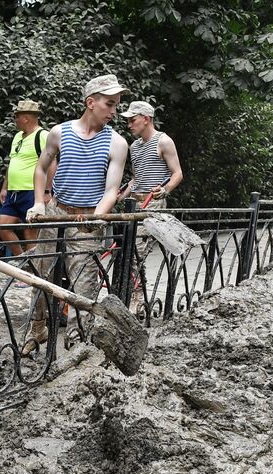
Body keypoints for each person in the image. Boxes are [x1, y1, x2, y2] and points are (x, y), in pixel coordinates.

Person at [23, 74, 130, 354]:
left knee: (84, 284)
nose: (114, 111)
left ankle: (76, 343)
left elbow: (111, 189)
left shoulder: (117, 144)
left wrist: (97, 217)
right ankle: (38, 329)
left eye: (117, 105)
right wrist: (38, 203)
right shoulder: (59, 133)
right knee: (41, 273)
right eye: (109, 104)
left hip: (88, 219)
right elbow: (40, 167)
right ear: (90, 102)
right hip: (56, 212)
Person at [117, 101, 183, 313]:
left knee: (136, 250)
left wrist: (165, 190)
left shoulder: (163, 141)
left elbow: (177, 173)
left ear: (146, 118)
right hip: (134, 203)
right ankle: (135, 293)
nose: (129, 124)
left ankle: (136, 299)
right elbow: (135, 179)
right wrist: (120, 195)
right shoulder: (134, 146)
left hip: (152, 203)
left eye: (132, 119)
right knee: (128, 250)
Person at [0, 100, 50, 259]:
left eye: (16, 116)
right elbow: (12, 161)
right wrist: (5, 187)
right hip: (14, 192)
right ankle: (22, 262)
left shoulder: (43, 136)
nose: (15, 120)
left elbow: (52, 163)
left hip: (32, 191)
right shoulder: (17, 137)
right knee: (2, 227)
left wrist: (47, 191)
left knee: (30, 231)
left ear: (26, 118)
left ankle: (33, 272)